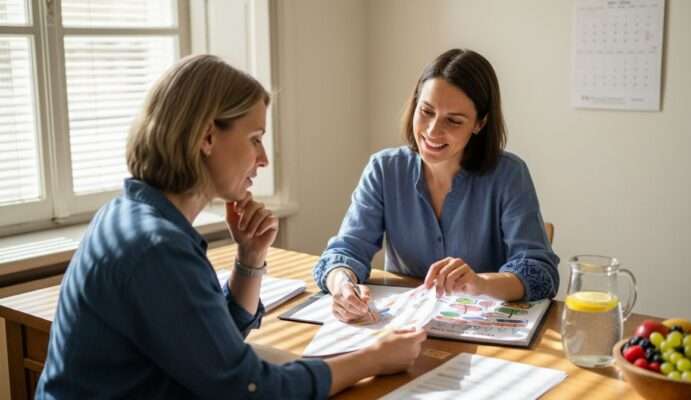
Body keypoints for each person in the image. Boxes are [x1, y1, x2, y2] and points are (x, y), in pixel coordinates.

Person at [36, 54, 426, 400]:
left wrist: (251, 258)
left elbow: (212, 344)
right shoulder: (157, 247)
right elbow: (248, 388)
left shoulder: (130, 215)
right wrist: (371, 359)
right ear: (207, 136)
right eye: (255, 139)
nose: (263, 159)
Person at [313, 48, 559, 323]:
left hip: (482, 331)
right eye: (426, 111)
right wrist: (342, 285)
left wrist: (480, 283)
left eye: (453, 121)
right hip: (401, 329)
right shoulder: (384, 169)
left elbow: (541, 273)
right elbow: (344, 252)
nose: (431, 131)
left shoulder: (509, 175)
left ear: (480, 123)